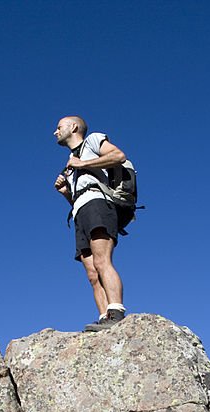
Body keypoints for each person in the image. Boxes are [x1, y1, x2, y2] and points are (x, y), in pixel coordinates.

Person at [53, 115, 133, 332]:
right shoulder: (70, 160)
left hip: (98, 204)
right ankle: (104, 318)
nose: (55, 132)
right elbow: (76, 196)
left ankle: (116, 311)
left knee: (101, 260)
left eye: (59, 127)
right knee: (91, 272)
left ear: (74, 127)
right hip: (79, 210)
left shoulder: (93, 140)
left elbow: (118, 155)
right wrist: (65, 193)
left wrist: (84, 163)